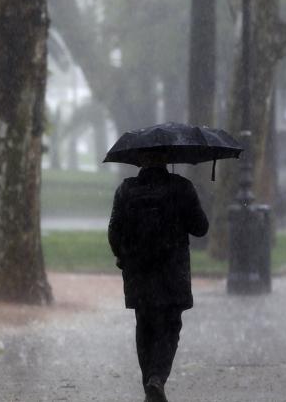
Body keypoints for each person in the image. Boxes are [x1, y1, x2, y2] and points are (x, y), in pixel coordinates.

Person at [108, 154, 209, 402]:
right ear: (167, 160)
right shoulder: (181, 187)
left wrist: (122, 256)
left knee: (145, 327)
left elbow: (114, 231)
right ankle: (157, 379)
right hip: (172, 274)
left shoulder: (126, 190)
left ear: (140, 161)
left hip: (138, 273)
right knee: (170, 327)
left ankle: (150, 385)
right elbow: (201, 228)